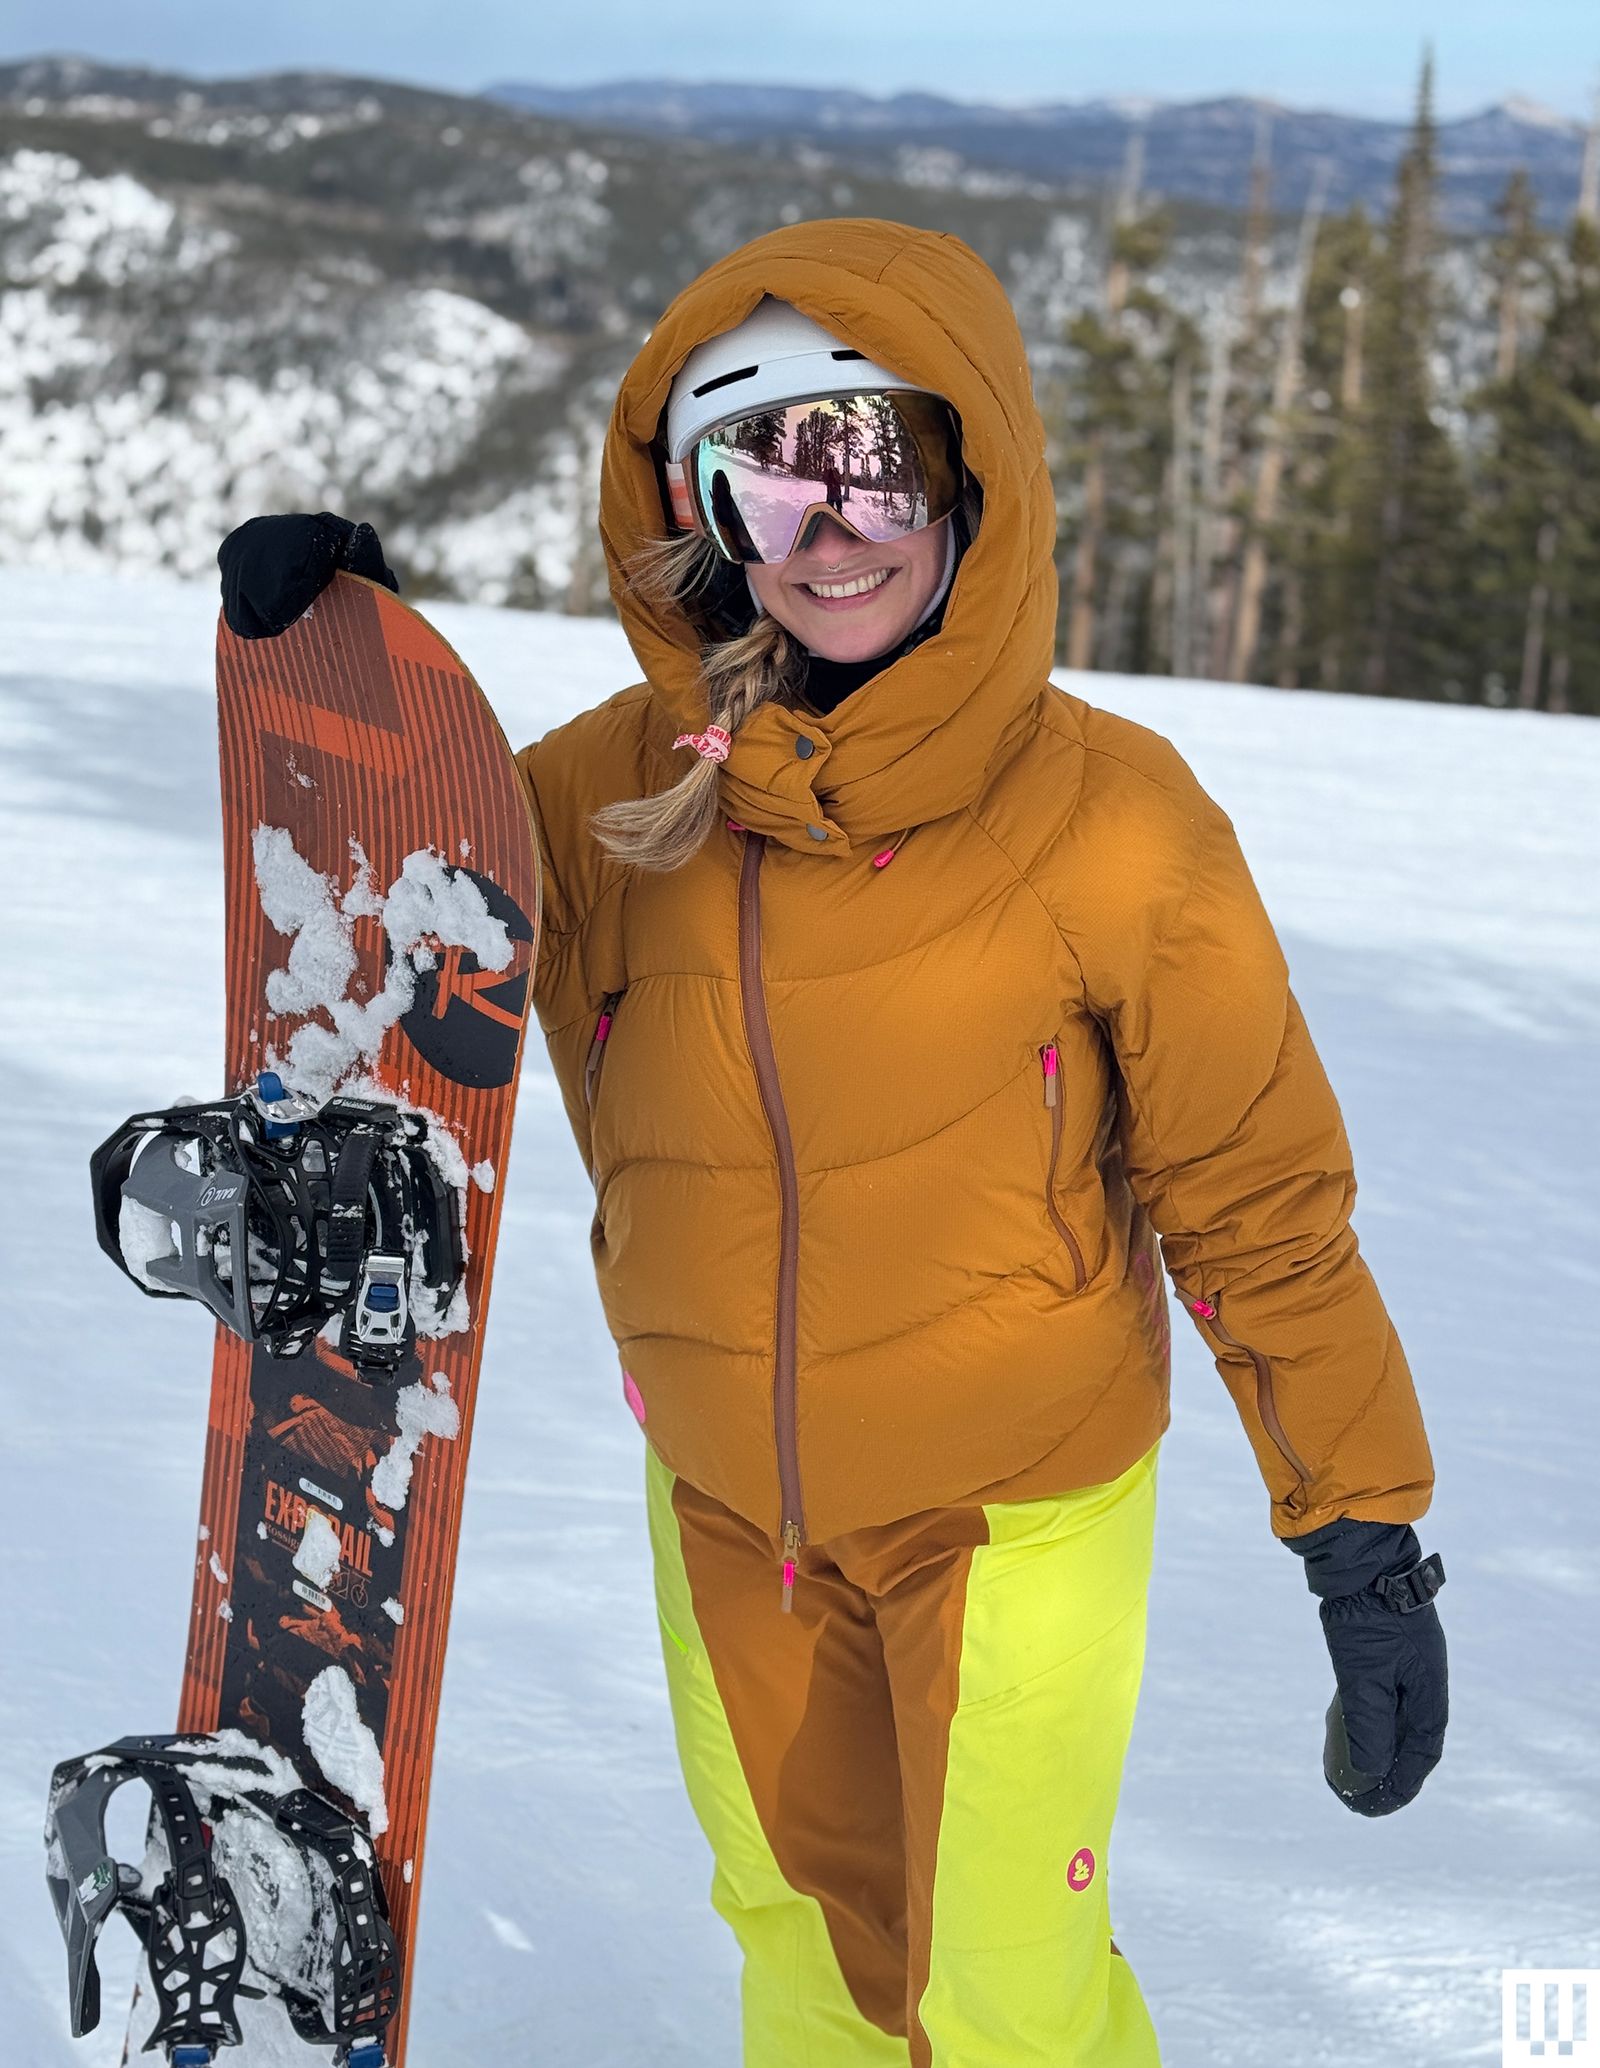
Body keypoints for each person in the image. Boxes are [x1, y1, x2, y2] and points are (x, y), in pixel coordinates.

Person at [218, 216, 1447, 2067]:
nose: (835, 531)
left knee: (1001, 1993)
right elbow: (415, 917)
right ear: (704, 522)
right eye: (767, 487)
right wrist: (367, 669)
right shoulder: (613, 795)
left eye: (877, 462)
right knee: (799, 1942)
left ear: (974, 475)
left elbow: (1258, 1200)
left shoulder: (1115, 821)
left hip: (1012, 1508)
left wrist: (1360, 1533)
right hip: (725, 1504)